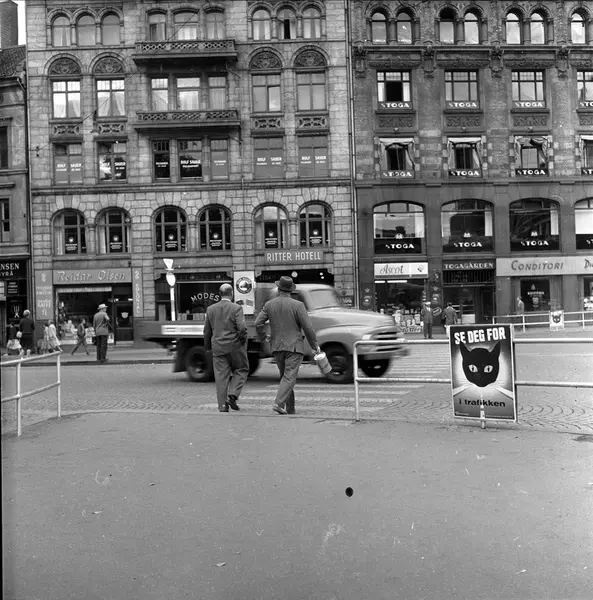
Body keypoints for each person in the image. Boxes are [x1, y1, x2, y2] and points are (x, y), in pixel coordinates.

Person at [254, 276, 319, 415]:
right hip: (294, 347)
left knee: (286, 377)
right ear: (291, 290)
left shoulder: (269, 304)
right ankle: (278, 403)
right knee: (289, 377)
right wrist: (314, 346)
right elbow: (308, 328)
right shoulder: (298, 305)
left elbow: (258, 323)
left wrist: (264, 337)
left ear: (278, 289)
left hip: (277, 347)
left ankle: (290, 409)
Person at [203, 283, 249, 413]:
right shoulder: (237, 308)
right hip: (235, 346)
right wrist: (242, 341)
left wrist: (208, 347)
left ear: (220, 294)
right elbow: (242, 328)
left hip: (218, 347)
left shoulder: (211, 309)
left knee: (221, 377)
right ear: (232, 294)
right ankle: (233, 394)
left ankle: (222, 406)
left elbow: (207, 331)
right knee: (242, 369)